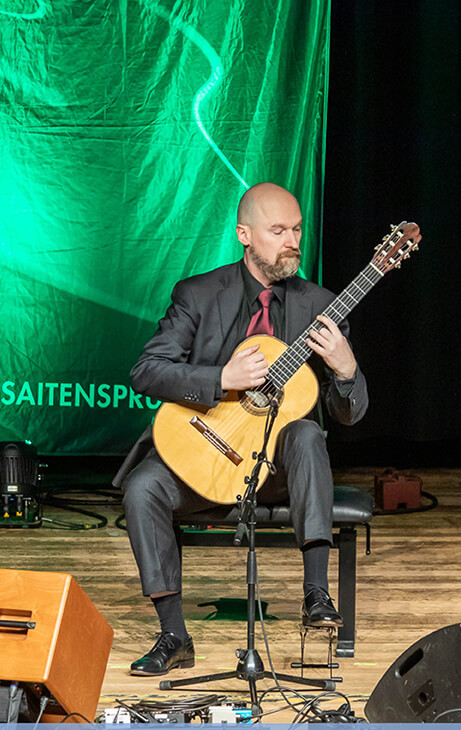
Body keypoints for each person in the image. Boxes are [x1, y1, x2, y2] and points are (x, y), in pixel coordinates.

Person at [113, 183, 368, 676]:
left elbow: (349, 413)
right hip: (205, 458)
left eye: (296, 230)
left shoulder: (321, 304)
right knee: (144, 486)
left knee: (308, 433)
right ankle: (173, 635)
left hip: (276, 469)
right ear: (244, 235)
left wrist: (345, 369)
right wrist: (221, 379)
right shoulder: (199, 294)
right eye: (278, 231)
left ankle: (316, 594)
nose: (291, 241)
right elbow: (147, 370)